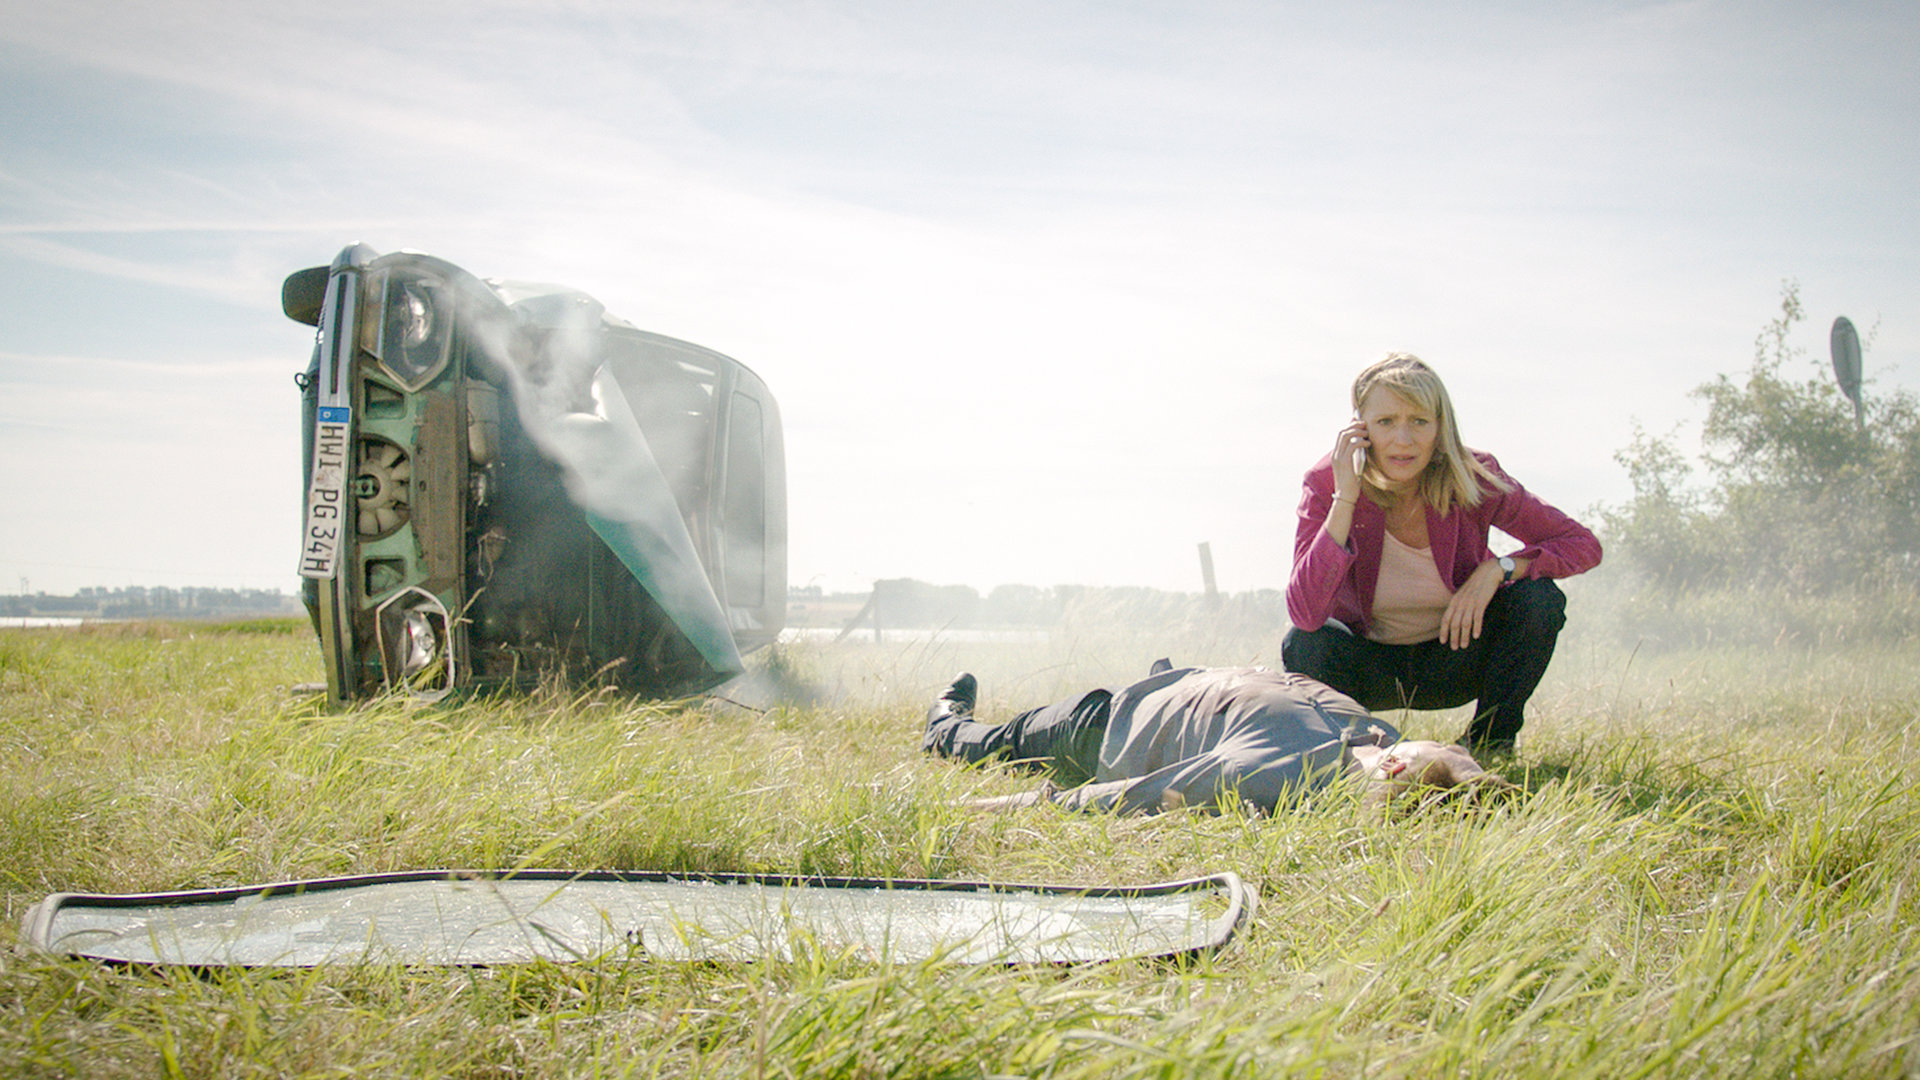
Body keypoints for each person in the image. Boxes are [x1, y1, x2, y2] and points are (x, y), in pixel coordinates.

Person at [1283, 353, 1601, 753]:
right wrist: (1345, 497)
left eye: (1419, 421)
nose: (1404, 439)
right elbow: (1306, 612)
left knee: (1539, 600)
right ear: (1359, 429)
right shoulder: (1326, 481)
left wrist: (1498, 569)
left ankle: (1490, 743)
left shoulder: (1475, 475)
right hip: (1367, 666)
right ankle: (1352, 752)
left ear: (1440, 426)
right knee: (1305, 641)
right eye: (1385, 422)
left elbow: (1581, 544)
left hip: (1454, 658)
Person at [921, 663, 1510, 815]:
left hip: (1102, 726)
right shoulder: (1378, 734)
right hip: (1165, 685)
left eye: (1450, 755)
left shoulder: (1274, 772)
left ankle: (943, 723)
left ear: (1397, 770)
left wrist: (982, 806)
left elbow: (1124, 798)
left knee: (991, 742)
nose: (1456, 748)